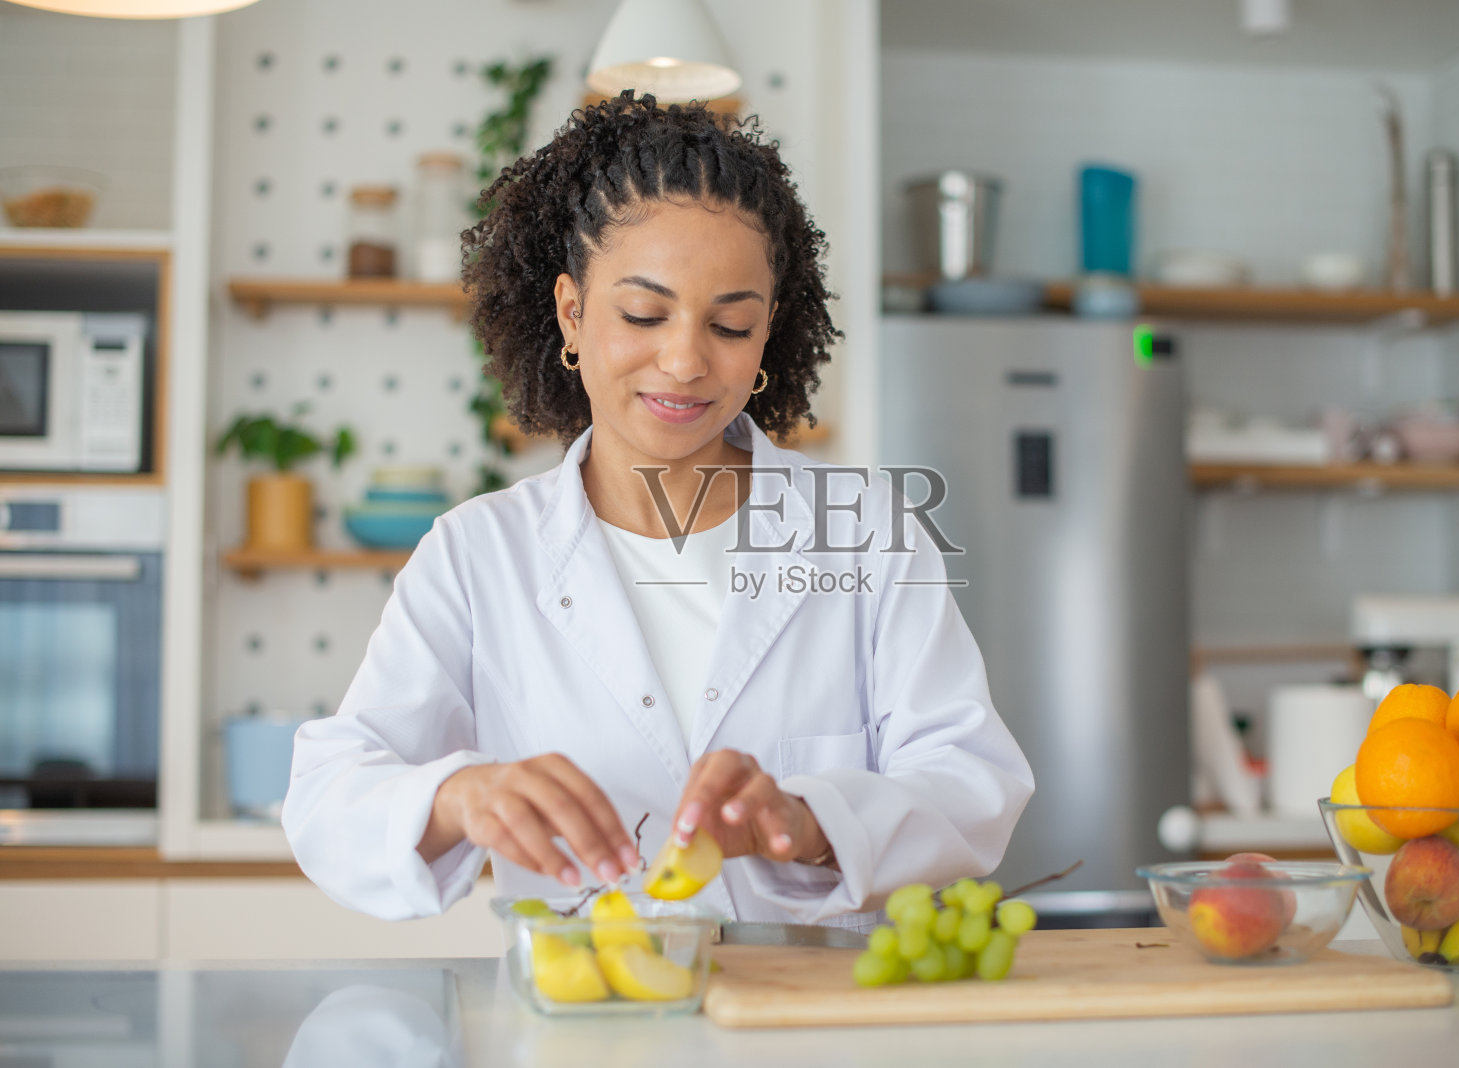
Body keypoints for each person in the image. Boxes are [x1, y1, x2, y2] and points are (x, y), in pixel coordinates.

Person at [283, 93, 1033, 931]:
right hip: (582, 1036)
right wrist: (462, 796)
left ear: (767, 333)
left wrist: (808, 820)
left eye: (731, 325)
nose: (683, 361)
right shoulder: (479, 554)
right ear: (572, 311)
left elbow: (971, 782)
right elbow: (327, 799)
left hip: (812, 1030)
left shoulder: (866, 530)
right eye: (643, 314)